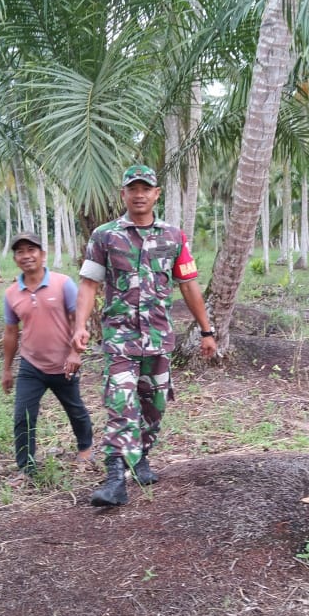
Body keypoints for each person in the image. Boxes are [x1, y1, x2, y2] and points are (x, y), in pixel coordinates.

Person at [72, 164, 217, 507]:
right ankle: (114, 478)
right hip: (119, 337)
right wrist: (79, 326)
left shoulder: (173, 237)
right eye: (132, 188)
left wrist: (206, 331)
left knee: (155, 406)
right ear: (123, 194)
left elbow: (189, 285)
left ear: (156, 194)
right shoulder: (105, 236)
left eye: (145, 188)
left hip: (159, 337)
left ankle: (140, 458)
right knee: (121, 403)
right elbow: (89, 284)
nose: (139, 194)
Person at [1, 231, 93, 481]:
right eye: (20, 251)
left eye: (31, 250)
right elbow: (11, 332)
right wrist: (7, 369)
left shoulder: (63, 284)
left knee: (75, 409)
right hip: (31, 365)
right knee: (23, 417)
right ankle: (26, 468)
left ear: (42, 254)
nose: (26, 256)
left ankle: (86, 449)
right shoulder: (11, 294)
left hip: (64, 363)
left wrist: (75, 353)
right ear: (15, 258)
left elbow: (78, 320)